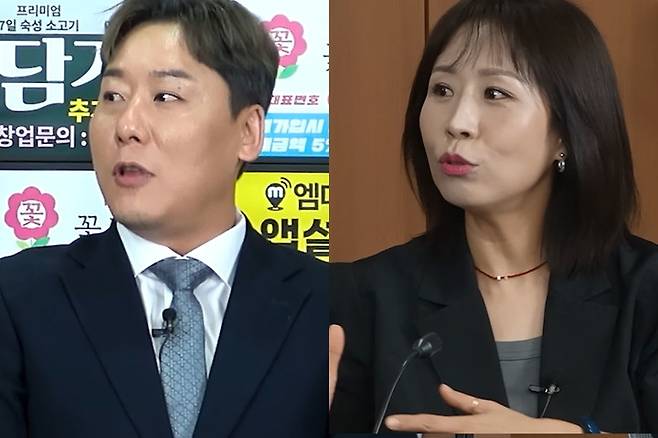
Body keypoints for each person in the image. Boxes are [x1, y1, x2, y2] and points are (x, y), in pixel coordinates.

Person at [329, 0, 658, 434]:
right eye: (441, 90)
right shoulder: (362, 299)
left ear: (566, 131)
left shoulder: (647, 292)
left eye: (495, 94)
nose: (458, 122)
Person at [0, 1, 326, 437]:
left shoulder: (328, 306)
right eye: (112, 97)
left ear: (248, 131)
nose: (127, 126)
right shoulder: (16, 299)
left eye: (165, 97)